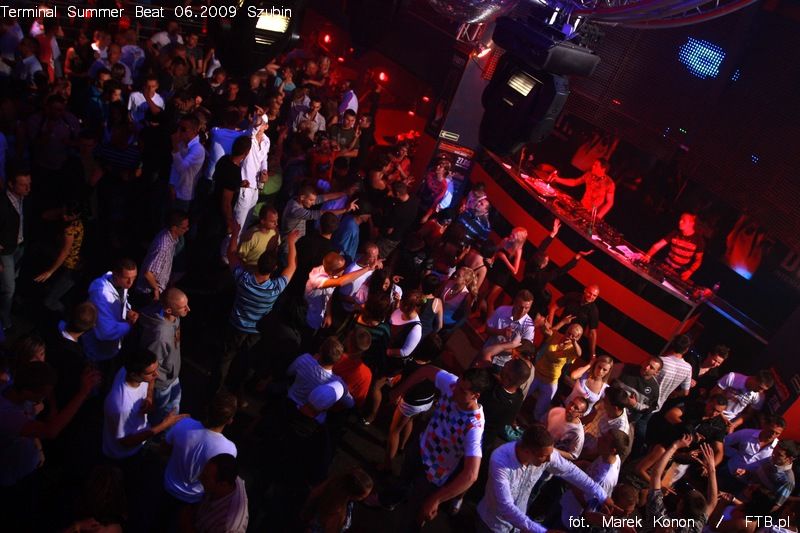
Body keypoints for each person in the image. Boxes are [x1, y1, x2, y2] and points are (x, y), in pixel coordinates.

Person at [376, 367, 493, 528]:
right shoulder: (453, 385)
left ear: (476, 395)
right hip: (420, 448)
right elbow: (426, 371)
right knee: (402, 481)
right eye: (458, 383)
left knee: (414, 512)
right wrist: (399, 390)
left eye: (462, 390)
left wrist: (437, 499)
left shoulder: (474, 426)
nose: (454, 390)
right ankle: (388, 501)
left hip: (434, 472)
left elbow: (471, 475)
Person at [476, 424, 607, 533]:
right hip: (492, 524)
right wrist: (543, 531)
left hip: (518, 527)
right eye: (544, 456)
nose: (549, 459)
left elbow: (570, 471)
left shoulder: (546, 454)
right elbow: (505, 507)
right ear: (527, 451)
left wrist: (601, 495)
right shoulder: (500, 461)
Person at [215, 229, 298, 393]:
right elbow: (292, 266)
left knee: (226, 358)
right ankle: (236, 391)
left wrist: (235, 233)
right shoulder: (275, 288)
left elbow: (231, 254)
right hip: (256, 330)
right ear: (274, 268)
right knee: (246, 361)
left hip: (236, 325)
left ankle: (215, 389)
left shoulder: (243, 279)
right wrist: (291, 242)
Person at [102, 349, 187, 460]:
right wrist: (164, 425)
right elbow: (126, 441)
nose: (156, 375)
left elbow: (151, 378)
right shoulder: (122, 406)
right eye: (151, 373)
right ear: (134, 374)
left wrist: (149, 396)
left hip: (141, 439)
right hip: (126, 454)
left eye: (156, 369)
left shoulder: (128, 371)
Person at [163, 392, 238, 504]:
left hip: (168, 485)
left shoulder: (184, 423)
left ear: (207, 409)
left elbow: (163, 449)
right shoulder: (230, 450)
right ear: (230, 420)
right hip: (193, 499)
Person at [138, 288, 190, 426]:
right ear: (168, 310)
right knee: (159, 416)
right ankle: (156, 436)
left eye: (187, 304)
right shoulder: (159, 336)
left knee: (173, 409)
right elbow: (152, 365)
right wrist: (149, 394)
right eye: (183, 307)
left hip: (172, 376)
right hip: (162, 383)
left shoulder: (174, 316)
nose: (188, 309)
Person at [644, 435, 717, 533]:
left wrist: (674, 447)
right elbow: (712, 502)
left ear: (680, 505)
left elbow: (656, 475)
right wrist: (712, 469)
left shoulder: (659, 518)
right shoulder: (695, 528)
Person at [560, 429, 629, 528]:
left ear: (613, 450)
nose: (599, 438)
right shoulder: (613, 458)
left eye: (605, 440)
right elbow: (593, 468)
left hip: (570, 515)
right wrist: (584, 464)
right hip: (566, 503)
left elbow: (587, 505)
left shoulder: (604, 479)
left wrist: (571, 478)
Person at [82, 258, 140, 365]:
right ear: (115, 275)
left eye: (134, 277)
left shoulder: (121, 283)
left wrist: (128, 311)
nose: (130, 282)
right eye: (127, 278)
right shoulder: (101, 294)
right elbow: (105, 332)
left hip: (112, 348)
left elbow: (122, 300)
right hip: (97, 353)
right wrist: (129, 324)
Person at [528, 322, 583, 422]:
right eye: (568, 333)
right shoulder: (556, 336)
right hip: (536, 374)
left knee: (539, 411)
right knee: (521, 396)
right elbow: (546, 331)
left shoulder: (572, 349)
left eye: (573, 336)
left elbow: (579, 353)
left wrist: (574, 342)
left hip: (550, 381)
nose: (569, 336)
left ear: (577, 338)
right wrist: (548, 324)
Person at [132, 210, 190, 305]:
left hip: (158, 289)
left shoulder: (171, 238)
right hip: (149, 293)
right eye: (184, 227)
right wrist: (156, 289)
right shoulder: (163, 247)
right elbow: (148, 273)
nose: (187, 229)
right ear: (174, 228)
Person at [305, 252, 372, 331]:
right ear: (332, 271)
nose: (344, 270)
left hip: (320, 316)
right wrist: (368, 268)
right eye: (341, 269)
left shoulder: (331, 273)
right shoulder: (316, 278)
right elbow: (341, 282)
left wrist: (328, 314)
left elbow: (329, 294)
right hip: (309, 318)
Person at [0, 169, 31, 330]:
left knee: (11, 280)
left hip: (19, 247)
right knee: (9, 289)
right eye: (23, 185)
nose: (28, 188)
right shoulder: (2, 203)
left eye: (29, 184)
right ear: (11, 184)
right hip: (5, 252)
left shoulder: (24, 199)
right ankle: (5, 320)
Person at [301, 468, 373, 533]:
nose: (365, 498)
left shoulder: (335, 483)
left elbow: (313, 494)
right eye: (363, 496)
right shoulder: (337, 512)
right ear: (353, 495)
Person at [482, 290, 536, 371]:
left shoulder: (529, 326)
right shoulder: (501, 310)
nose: (523, 311)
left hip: (503, 364)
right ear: (515, 303)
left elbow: (524, 350)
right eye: (520, 307)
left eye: (527, 308)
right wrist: (501, 332)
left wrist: (501, 348)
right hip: (486, 353)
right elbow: (487, 329)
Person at [642, 212, 705, 281]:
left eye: (684, 220)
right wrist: (648, 255)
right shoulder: (675, 233)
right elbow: (658, 245)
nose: (680, 222)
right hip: (666, 265)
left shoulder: (698, 240)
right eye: (680, 219)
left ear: (692, 223)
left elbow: (698, 259)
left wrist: (690, 271)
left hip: (680, 272)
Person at [194, 454, 249, 533]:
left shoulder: (229, 527)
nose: (199, 477)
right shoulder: (229, 477)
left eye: (205, 477)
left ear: (223, 484)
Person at [484, 227, 528, 318]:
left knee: (490, 300)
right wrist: (492, 259)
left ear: (519, 239)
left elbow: (515, 271)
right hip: (494, 269)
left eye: (513, 235)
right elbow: (496, 251)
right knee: (482, 293)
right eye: (511, 233)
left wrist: (504, 258)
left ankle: (489, 323)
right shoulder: (505, 240)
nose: (510, 236)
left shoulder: (518, 250)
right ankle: (477, 311)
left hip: (502, 276)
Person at [551, 158, 616, 219]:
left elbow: (609, 202)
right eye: (593, 164)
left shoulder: (609, 183)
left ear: (603, 169)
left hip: (593, 214)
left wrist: (598, 216)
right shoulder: (588, 175)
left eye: (596, 165)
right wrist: (558, 179)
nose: (593, 166)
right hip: (582, 208)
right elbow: (574, 182)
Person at [551, 283, 601, 359]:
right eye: (590, 293)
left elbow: (592, 333)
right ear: (585, 290)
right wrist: (550, 326)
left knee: (562, 362)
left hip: (572, 343)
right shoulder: (572, 296)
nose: (591, 297)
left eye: (594, 295)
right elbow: (553, 308)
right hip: (558, 334)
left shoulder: (593, 310)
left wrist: (593, 354)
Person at [168, 115, 205, 212]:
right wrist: (171, 184)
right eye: (178, 128)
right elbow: (174, 166)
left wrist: (175, 146)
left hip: (184, 195)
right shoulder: (181, 144)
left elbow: (182, 168)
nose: (179, 132)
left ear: (194, 130)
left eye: (183, 129)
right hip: (174, 190)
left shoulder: (198, 149)